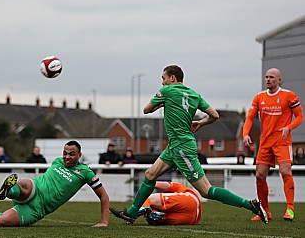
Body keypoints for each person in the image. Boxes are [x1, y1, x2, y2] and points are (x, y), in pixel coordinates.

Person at [110, 65, 267, 225]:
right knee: (150, 175)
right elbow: (214, 115)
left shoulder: (166, 91)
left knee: (206, 190)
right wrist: (200, 123)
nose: (162, 83)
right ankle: (131, 213)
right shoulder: (194, 94)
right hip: (175, 146)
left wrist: (163, 103)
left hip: (182, 148)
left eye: (163, 78)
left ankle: (250, 205)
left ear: (172, 78)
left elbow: (147, 109)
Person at [0, 140, 109, 227]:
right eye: (65, 153)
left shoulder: (86, 172)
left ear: (79, 155)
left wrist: (104, 222)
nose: (67, 157)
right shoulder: (57, 161)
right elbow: (47, 176)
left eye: (71, 154)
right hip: (34, 189)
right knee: (24, 183)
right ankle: (10, 191)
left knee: (2, 221)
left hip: (39, 208)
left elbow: (104, 196)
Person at [242, 68, 303, 222]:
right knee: (260, 175)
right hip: (265, 142)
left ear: (279, 80)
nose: (268, 80)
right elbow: (249, 118)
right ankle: (265, 211)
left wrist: (289, 127)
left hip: (282, 142)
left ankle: (290, 208)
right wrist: (245, 134)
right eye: (266, 77)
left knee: (284, 171)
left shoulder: (289, 95)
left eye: (271, 77)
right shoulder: (259, 97)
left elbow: (300, 117)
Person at [137, 181, 202, 225]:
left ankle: (140, 209)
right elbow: (155, 184)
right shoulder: (179, 188)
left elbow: (154, 184)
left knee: (146, 198)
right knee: (155, 217)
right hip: (192, 219)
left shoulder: (178, 187)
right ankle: (149, 211)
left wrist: (146, 185)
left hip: (190, 204)